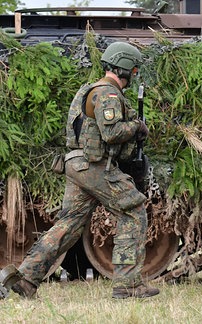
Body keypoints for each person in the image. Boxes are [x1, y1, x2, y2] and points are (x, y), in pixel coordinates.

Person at [1, 41, 158, 299]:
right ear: (126, 67)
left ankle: (27, 278)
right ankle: (128, 284)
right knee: (133, 210)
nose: (135, 74)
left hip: (77, 165)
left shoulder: (89, 89)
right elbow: (111, 133)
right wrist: (137, 127)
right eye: (135, 69)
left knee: (69, 226)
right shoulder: (107, 93)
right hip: (94, 167)